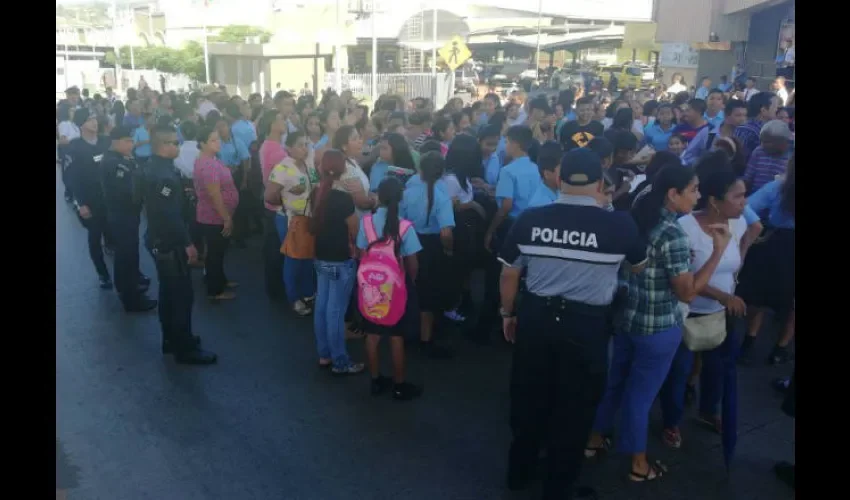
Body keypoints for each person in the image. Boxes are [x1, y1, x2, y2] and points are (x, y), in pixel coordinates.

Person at [500, 148, 647, 500]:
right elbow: (637, 267)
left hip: (536, 318)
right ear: (600, 182)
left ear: (558, 179)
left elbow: (509, 273)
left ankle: (518, 473)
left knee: (529, 396)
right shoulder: (620, 225)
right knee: (575, 407)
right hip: (587, 324)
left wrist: (508, 314)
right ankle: (558, 486)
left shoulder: (530, 219)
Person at [586, 165, 732, 483]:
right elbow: (687, 292)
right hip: (659, 328)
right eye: (693, 190)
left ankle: (594, 439)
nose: (698, 196)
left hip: (627, 319)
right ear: (672, 194)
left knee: (615, 383)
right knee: (640, 395)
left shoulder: (635, 220)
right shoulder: (673, 234)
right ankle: (638, 463)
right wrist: (717, 252)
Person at [658, 167, 749, 448]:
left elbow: (734, 260)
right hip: (688, 313)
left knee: (718, 369)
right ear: (714, 201)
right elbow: (683, 277)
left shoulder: (738, 222)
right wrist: (722, 295)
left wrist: (728, 293)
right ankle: (671, 422)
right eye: (739, 196)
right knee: (679, 372)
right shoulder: (685, 228)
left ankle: (708, 411)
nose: (745, 201)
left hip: (721, 314)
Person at [140, 125, 217, 365]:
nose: (178, 145)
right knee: (181, 296)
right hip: (169, 243)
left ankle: (172, 339)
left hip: (158, 238)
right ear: (163, 146)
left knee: (169, 293)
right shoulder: (163, 175)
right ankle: (183, 349)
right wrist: (187, 244)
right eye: (174, 142)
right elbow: (169, 215)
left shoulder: (155, 166)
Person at [357, 178, 424, 400]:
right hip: (396, 289)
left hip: (369, 287)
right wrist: (410, 281)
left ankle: (375, 380)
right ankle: (399, 384)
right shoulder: (405, 228)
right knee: (396, 337)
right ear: (400, 198)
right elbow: (413, 263)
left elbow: (360, 253)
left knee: (372, 335)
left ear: (379, 197)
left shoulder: (366, 223)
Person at [737, 154, 796, 365]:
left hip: (776, 242)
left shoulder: (778, 186)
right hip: (784, 245)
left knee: (758, 296)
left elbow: (745, 204)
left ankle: (749, 340)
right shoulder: (778, 186)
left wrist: (756, 224)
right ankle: (780, 349)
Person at [309, 149, 364, 375]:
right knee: (335, 311)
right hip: (341, 258)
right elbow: (354, 228)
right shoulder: (343, 198)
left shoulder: (317, 192)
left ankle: (324, 354)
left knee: (322, 307)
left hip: (320, 255)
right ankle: (340, 361)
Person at [401, 152, 456, 359]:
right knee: (429, 294)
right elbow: (446, 233)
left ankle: (405, 332)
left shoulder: (408, 193)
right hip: (432, 247)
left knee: (409, 286)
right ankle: (426, 339)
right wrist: (448, 249)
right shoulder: (442, 197)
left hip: (410, 242)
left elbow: (400, 220)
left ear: (420, 171)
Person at [100, 126, 156, 312]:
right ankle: (130, 297)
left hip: (127, 214)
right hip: (122, 214)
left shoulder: (121, 158)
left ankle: (132, 285)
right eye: (127, 141)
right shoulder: (114, 163)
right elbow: (130, 190)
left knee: (130, 252)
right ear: (115, 142)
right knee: (126, 255)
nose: (131, 144)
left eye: (131, 141)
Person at [266, 130, 317, 315]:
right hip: (291, 220)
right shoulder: (282, 169)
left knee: (308, 256)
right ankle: (293, 297)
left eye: (306, 144)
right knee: (294, 258)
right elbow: (269, 196)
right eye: (300, 145)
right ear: (289, 148)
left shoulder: (309, 162)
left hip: (309, 218)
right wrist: (286, 199)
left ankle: (308, 292)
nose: (305, 148)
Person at [65, 108, 115, 289]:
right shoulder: (74, 147)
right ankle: (103, 274)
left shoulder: (105, 141)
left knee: (115, 236)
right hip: (90, 201)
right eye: (88, 119)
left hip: (110, 199)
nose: (94, 122)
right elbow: (72, 178)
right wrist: (81, 204)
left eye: (94, 118)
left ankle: (126, 273)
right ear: (81, 124)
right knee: (94, 238)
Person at [194, 126, 240, 301]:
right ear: (202, 143)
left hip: (212, 215)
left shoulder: (210, 159)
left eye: (218, 139)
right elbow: (214, 195)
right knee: (215, 253)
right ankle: (215, 290)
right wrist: (226, 218)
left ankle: (220, 280)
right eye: (213, 140)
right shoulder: (209, 164)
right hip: (214, 216)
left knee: (217, 251)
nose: (218, 142)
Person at [742, 119, 792, 194]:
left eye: (767, 142)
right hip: (755, 197)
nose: (762, 145)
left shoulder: (791, 157)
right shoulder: (758, 151)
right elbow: (748, 178)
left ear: (782, 141)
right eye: (761, 141)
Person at [734, 91, 779, 163]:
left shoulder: (740, 128)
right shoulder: (761, 133)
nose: (777, 109)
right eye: (775, 106)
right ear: (763, 110)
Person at [526, 141, 563, 208]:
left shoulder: (559, 192)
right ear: (547, 174)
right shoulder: (540, 204)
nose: (566, 173)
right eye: (561, 170)